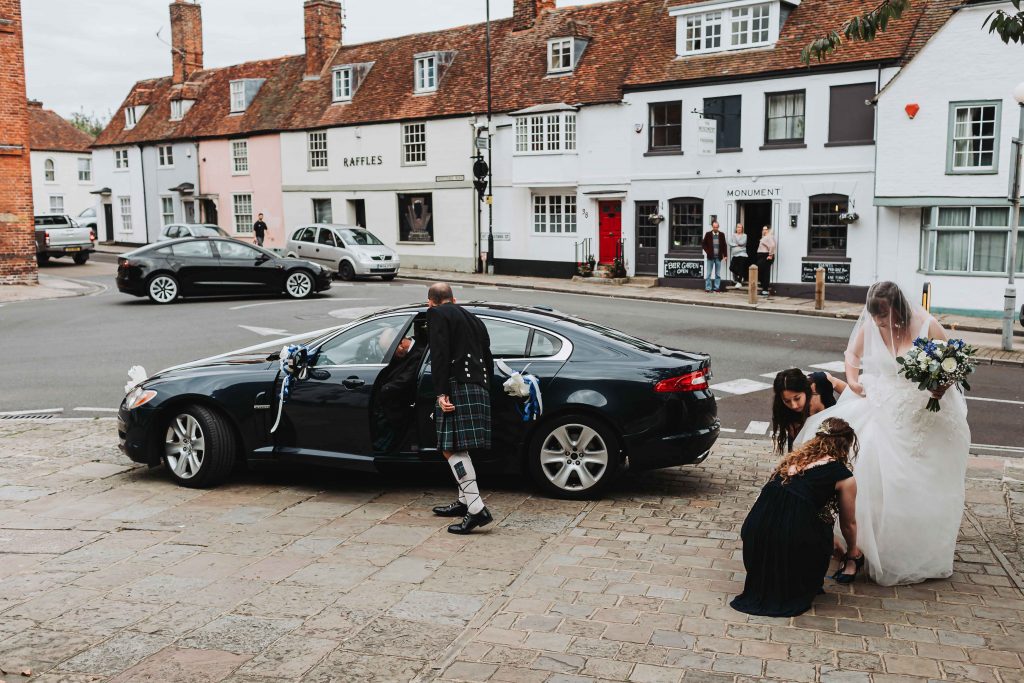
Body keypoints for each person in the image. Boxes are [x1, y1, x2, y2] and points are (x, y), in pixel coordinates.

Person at [795, 281, 970, 586]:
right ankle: (859, 549)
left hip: (920, 410)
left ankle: (909, 550)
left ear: (899, 308)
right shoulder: (872, 326)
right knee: (870, 475)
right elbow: (851, 355)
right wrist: (853, 381)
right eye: (874, 317)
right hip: (880, 404)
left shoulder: (927, 326)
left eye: (884, 316)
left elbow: (950, 366)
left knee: (915, 482)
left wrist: (940, 386)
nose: (878, 322)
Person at [731, 417, 861, 618]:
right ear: (846, 446)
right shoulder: (843, 476)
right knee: (820, 529)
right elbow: (849, 524)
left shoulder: (792, 459)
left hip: (756, 530)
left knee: (816, 524)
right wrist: (851, 552)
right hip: (791, 536)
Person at [426, 282, 495, 534]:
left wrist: (441, 392)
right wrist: (485, 387)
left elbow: (439, 354)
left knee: (449, 448)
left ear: (430, 302)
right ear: (453, 299)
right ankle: (464, 501)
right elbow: (488, 357)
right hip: (478, 385)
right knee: (459, 446)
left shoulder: (436, 314)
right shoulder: (474, 318)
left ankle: (476, 509)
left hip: (456, 385)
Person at [771, 369, 848, 454]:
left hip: (836, 435)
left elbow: (850, 392)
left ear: (805, 390)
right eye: (787, 401)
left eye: (797, 398)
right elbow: (799, 445)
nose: (794, 405)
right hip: (809, 447)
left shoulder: (821, 380)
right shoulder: (786, 411)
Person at [373, 331, 427, 454]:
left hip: (403, 402)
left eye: (391, 351)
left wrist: (383, 390)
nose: (391, 355)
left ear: (401, 343)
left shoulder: (419, 353)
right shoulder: (411, 348)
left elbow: (405, 381)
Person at [702, 220, 728, 293]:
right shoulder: (708, 234)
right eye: (714, 227)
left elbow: (724, 246)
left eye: (716, 227)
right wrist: (708, 251)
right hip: (710, 257)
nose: (715, 228)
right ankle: (708, 288)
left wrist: (725, 255)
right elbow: (703, 244)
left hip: (718, 257)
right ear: (712, 227)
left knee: (718, 274)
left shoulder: (722, 234)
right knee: (708, 274)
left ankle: (716, 288)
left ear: (718, 227)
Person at [756, 225, 776, 295]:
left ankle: (765, 290)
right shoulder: (765, 237)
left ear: (768, 230)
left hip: (765, 256)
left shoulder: (769, 236)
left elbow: (772, 245)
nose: (764, 231)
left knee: (765, 273)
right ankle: (763, 285)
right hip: (762, 256)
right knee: (760, 271)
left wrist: (770, 255)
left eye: (766, 229)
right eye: (763, 229)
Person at [728, 223, 748, 289]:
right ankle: (741, 276)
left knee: (741, 268)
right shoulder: (733, 235)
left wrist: (735, 243)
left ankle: (739, 282)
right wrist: (736, 245)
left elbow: (742, 243)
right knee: (731, 267)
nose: (739, 228)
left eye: (740, 227)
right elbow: (729, 242)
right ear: (736, 228)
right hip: (735, 254)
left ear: (742, 229)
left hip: (742, 254)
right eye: (738, 227)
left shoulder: (744, 235)